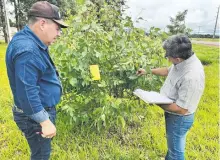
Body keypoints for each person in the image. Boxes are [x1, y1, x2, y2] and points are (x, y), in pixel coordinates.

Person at [5, 1, 68, 159]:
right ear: (42, 23)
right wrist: (44, 121)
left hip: (35, 112)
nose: (59, 33)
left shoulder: (27, 39)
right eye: (57, 28)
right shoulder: (28, 50)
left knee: (41, 152)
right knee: (41, 154)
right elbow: (27, 91)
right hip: (34, 116)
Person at [137, 35, 205, 160]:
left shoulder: (191, 76)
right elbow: (168, 71)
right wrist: (148, 71)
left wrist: (155, 101)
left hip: (179, 119)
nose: (167, 59)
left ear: (177, 58)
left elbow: (182, 109)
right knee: (173, 147)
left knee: (176, 154)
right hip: (174, 116)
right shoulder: (184, 61)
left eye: (168, 57)